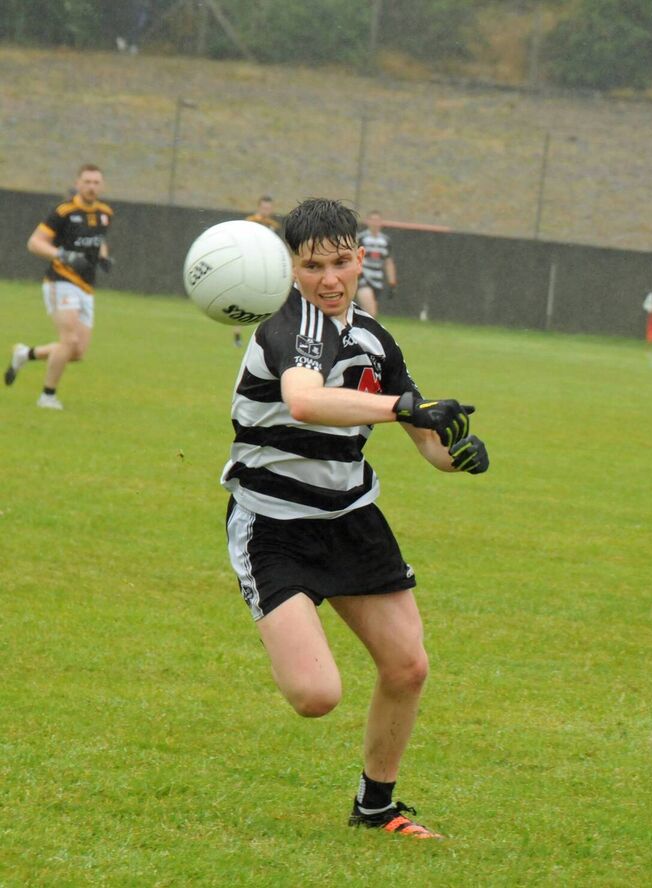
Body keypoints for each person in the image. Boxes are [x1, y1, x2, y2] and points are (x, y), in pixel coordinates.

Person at [222, 198, 489, 839]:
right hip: (274, 525)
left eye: (341, 262)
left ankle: (377, 807)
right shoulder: (285, 327)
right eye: (314, 265)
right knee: (317, 697)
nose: (330, 279)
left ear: (361, 257)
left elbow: (423, 439)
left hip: (351, 517)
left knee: (408, 666)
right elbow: (306, 401)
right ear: (292, 268)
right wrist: (402, 406)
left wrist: (453, 454)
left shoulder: (374, 337)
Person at [6, 164, 114, 409]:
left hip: (87, 287)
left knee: (77, 352)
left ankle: (25, 354)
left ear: (102, 186)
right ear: (78, 183)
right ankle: (47, 396)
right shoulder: (64, 211)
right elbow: (35, 243)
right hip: (61, 282)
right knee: (68, 340)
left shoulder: (105, 213)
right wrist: (63, 256)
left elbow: (99, 239)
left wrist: (104, 257)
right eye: (87, 181)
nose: (91, 186)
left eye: (96, 182)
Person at [235, 195, 284, 347]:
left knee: (269, 301)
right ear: (258, 207)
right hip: (250, 266)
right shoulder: (250, 222)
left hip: (268, 269)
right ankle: (237, 334)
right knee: (243, 299)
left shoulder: (274, 226)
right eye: (263, 207)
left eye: (268, 208)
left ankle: (266, 336)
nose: (266, 210)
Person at [356, 210, 397, 318]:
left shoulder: (386, 241)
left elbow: (388, 262)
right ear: (367, 222)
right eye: (373, 220)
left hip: (377, 280)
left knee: (368, 313)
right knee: (371, 312)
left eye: (377, 220)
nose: (375, 223)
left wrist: (392, 283)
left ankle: (357, 331)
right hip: (363, 278)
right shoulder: (361, 238)